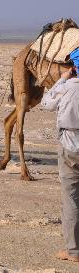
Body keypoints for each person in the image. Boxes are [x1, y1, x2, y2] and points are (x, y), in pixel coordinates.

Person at [41, 47, 79, 262]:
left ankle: (73, 250)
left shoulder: (65, 87)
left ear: (73, 67)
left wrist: (62, 79)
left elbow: (46, 103)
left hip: (69, 145)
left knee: (71, 197)